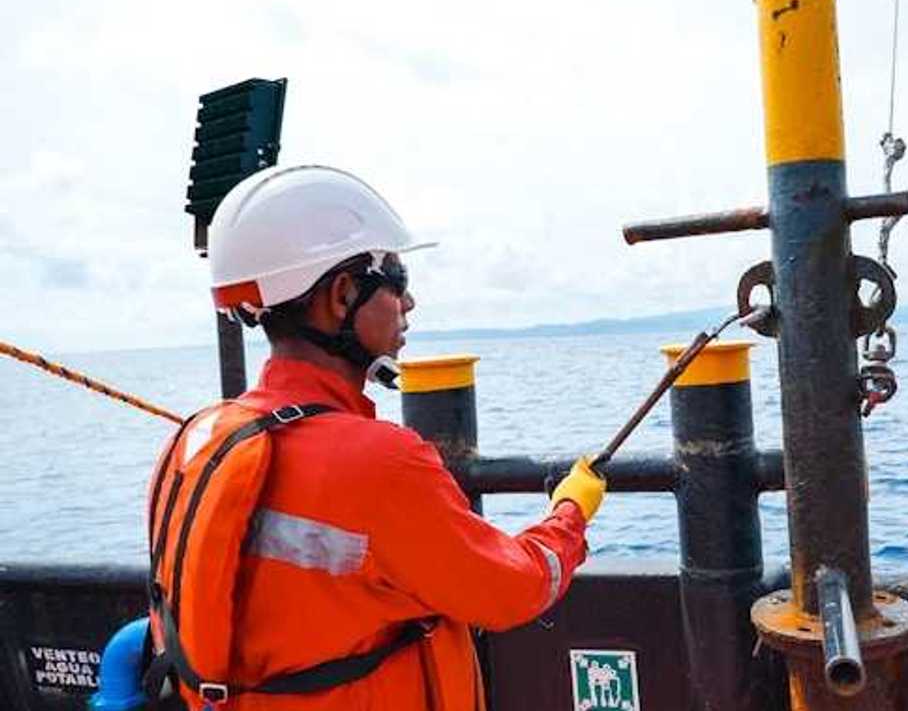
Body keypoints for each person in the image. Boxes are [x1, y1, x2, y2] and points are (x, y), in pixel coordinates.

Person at [145, 164, 606, 710]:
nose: (408, 304)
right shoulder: (377, 462)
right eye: (397, 281)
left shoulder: (192, 442)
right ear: (342, 295)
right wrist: (570, 514)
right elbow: (512, 590)